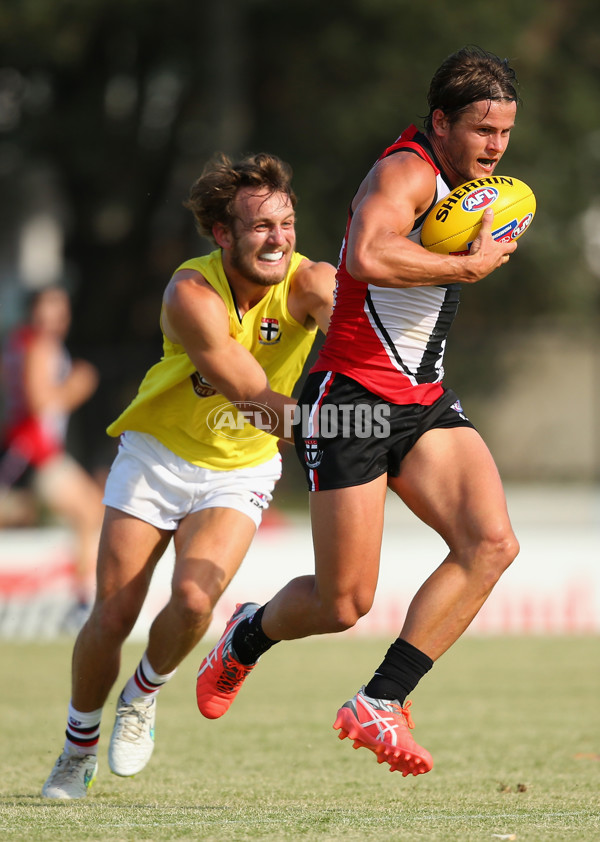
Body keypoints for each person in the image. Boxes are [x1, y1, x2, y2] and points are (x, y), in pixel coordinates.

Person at [196, 47, 522, 777]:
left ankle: (381, 700)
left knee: (492, 544)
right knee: (344, 602)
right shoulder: (405, 171)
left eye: (504, 132)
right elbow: (367, 256)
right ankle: (246, 636)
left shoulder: (477, 184)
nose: (495, 147)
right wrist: (467, 265)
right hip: (352, 402)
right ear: (440, 122)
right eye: (481, 131)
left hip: (423, 401)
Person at [41, 152, 335, 799]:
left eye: (286, 223)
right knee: (113, 614)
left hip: (242, 465)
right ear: (222, 234)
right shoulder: (190, 292)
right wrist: (349, 433)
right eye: (261, 226)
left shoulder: (313, 283)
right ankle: (76, 745)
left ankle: (143, 694)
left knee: (197, 600)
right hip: (157, 455)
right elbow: (255, 396)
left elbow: (359, 333)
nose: (278, 238)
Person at [0, 286, 104, 618]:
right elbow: (40, 402)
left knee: (86, 512)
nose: (56, 317)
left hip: (26, 446)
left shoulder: (19, 341)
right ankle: (83, 602)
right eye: (49, 308)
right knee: (89, 512)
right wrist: (78, 384)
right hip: (35, 449)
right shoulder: (38, 344)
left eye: (60, 309)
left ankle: (83, 599)